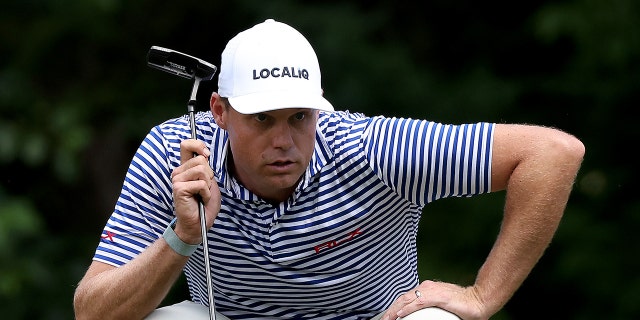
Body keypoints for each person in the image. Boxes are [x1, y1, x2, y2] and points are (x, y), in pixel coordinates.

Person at [73, 19, 585, 320]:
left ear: (321, 109)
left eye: (299, 117)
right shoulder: (175, 154)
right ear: (220, 112)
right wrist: (182, 238)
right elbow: (91, 311)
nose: (283, 141)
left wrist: (482, 295)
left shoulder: (373, 148)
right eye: (262, 119)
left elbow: (552, 154)